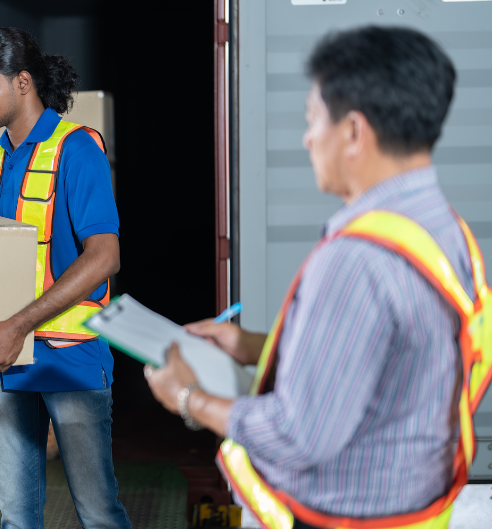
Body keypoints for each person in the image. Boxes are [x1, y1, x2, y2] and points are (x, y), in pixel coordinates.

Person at [145, 26, 492, 528]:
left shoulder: (355, 260)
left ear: (353, 131)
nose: (307, 138)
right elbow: (391, 359)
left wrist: (186, 398)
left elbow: (299, 434)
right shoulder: (444, 229)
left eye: (312, 120)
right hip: (416, 509)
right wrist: (256, 346)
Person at [0, 28, 131, 529]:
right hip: (5, 360)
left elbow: (104, 257)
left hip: (70, 358)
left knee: (98, 512)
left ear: (22, 82)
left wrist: (18, 324)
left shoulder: (77, 149)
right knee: (16, 517)